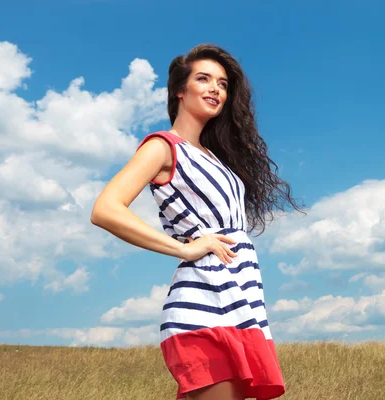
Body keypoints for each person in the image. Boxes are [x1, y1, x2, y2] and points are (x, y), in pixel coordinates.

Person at [90, 43, 303, 400]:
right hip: (202, 307)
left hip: (238, 301)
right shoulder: (163, 147)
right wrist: (184, 249)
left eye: (222, 83)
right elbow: (106, 209)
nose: (215, 89)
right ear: (179, 90)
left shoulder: (215, 158)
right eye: (203, 79)